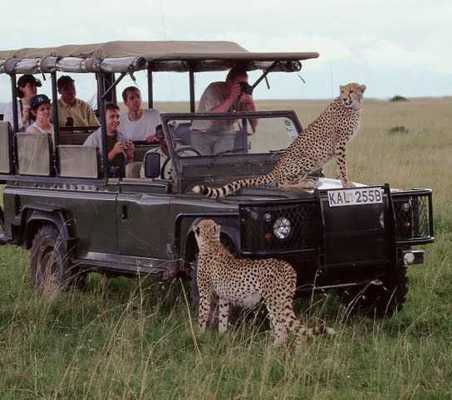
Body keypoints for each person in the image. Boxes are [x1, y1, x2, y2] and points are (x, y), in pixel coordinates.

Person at [191, 64, 257, 155]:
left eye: (245, 84)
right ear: (229, 82)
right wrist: (231, 98)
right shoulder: (214, 89)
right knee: (203, 165)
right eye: (240, 84)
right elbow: (213, 117)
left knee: (223, 163)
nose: (242, 87)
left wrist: (250, 103)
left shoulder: (242, 94)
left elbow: (254, 126)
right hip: (203, 133)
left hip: (225, 133)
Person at [83, 103, 134, 176]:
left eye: (117, 116)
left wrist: (130, 155)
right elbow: (88, 166)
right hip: (102, 179)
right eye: (112, 117)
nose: (116, 120)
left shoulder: (123, 138)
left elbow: (128, 166)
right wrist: (113, 152)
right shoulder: (93, 139)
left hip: (120, 178)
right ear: (103, 119)